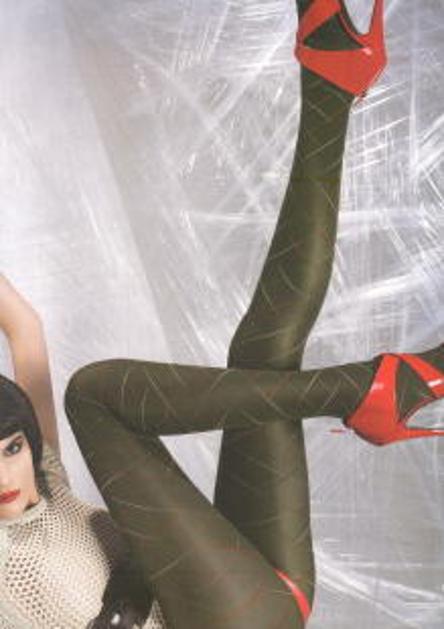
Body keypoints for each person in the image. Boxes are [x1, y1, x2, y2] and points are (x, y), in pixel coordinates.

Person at [64, 2, 444, 628]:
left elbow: (23, 341)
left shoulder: (39, 485)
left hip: (253, 589)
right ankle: (364, 387)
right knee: (94, 397)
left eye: (9, 447)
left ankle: (330, 86)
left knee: (262, 353)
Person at [0, 275, 166, 628]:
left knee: (88, 392)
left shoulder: (47, 480)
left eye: (12, 449)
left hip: (199, 606)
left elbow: (24, 327)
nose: (3, 478)